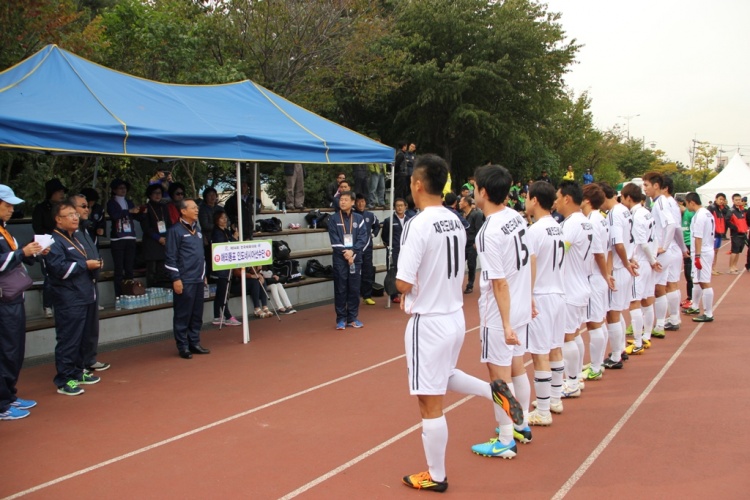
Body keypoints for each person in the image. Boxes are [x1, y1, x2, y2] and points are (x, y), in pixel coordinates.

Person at [398, 156, 523, 492]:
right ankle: (492, 392)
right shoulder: (456, 220)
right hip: (454, 316)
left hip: (429, 320)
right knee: (444, 375)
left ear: (418, 184)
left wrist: (398, 289)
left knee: (429, 400)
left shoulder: (417, 223)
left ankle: (436, 476)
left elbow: (403, 282)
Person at [469, 163, 534, 456]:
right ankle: (521, 423)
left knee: (498, 373)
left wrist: (505, 324)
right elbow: (529, 259)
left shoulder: (488, 232)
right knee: (517, 364)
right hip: (519, 304)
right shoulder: (516, 218)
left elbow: (499, 283)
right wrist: (529, 298)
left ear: (483, 192)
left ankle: (505, 438)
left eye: (474, 188)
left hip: (500, 313)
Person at [45, 202, 103, 395]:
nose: (75, 217)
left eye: (75, 214)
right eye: (69, 214)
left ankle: (78, 371)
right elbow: (59, 269)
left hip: (84, 294)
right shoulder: (54, 241)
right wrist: (85, 265)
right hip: (68, 298)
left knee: (81, 338)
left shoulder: (76, 238)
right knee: (68, 339)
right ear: (58, 219)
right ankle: (64, 379)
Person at [0, 185, 44, 419]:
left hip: (14, 296)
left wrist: (34, 252)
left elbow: (17, 257)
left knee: (14, 349)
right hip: (3, 299)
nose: (11, 210)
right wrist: (21, 253)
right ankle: (2, 404)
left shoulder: (5, 230)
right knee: (6, 349)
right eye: (7, 206)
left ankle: (9, 394)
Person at [525, 181, 566, 426]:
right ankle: (554, 398)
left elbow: (530, 264)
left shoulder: (535, 230)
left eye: (528, 197)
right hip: (558, 293)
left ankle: (542, 411)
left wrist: (527, 295)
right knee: (555, 348)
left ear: (535, 200)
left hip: (541, 294)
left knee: (539, 353)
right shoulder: (557, 227)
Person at [555, 180, 595, 399]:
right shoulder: (584, 221)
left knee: (567, 336)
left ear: (567, 198)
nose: (556, 201)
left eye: (558, 196)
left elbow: (560, 251)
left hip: (571, 287)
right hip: (580, 284)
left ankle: (570, 383)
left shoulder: (572, 223)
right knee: (574, 334)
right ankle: (576, 377)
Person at [165, 199, 210, 359]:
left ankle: (194, 342)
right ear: (183, 211)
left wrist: (203, 275)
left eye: (197, 208)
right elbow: (170, 258)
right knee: (183, 314)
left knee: (197, 313)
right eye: (193, 208)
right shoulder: (175, 231)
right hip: (184, 279)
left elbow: (201, 256)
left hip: (198, 279)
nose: (197, 210)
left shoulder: (197, 230)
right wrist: (176, 278)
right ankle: (183, 346)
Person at [600, 181, 637, 371]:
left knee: (612, 312)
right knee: (618, 310)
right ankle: (620, 348)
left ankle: (615, 355)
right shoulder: (624, 210)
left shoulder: (614, 214)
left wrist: (624, 262)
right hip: (625, 264)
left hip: (619, 267)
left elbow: (618, 244)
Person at [70, 194, 110, 372]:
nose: (87, 209)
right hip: (78, 285)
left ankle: (89, 358)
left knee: (92, 324)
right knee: (79, 326)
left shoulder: (86, 229)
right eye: (83, 206)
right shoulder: (70, 233)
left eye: (88, 206)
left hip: (91, 281)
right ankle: (78, 364)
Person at [580, 184, 614, 382]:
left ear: (586, 200)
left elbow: (599, 253)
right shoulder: (599, 218)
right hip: (598, 277)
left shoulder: (592, 220)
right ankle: (597, 362)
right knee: (597, 321)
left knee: (594, 323)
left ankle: (595, 366)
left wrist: (605, 274)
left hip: (594, 277)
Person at [620, 184, 659, 356]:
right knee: (647, 299)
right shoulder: (647, 212)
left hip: (640, 262)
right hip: (647, 261)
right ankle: (646, 336)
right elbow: (654, 238)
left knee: (634, 302)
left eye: (622, 197)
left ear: (628, 198)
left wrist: (651, 260)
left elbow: (642, 242)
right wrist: (654, 259)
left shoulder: (635, 216)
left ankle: (637, 343)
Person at [642, 172, 680, 339]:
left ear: (656, 185)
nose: (645, 189)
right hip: (664, 250)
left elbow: (671, 224)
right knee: (659, 288)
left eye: (646, 185)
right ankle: (660, 323)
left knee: (655, 288)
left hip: (663, 252)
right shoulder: (657, 202)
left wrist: (663, 246)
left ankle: (658, 324)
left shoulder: (661, 202)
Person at [328, 191, 367, 329]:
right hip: (340, 258)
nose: (342, 202)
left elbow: (363, 238)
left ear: (352, 202)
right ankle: (341, 319)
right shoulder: (333, 219)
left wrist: (353, 252)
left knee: (354, 288)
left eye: (345, 200)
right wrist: (346, 253)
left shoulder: (358, 218)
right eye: (341, 199)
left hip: (355, 258)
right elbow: (334, 240)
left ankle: (352, 317)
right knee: (340, 288)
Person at [32, 178, 67, 318]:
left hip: (63, 242)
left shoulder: (64, 208)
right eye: (59, 192)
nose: (62, 194)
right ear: (52, 193)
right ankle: (47, 306)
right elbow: (37, 227)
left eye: (62, 192)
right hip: (46, 243)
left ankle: (62, 303)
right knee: (49, 275)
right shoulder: (40, 208)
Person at [684, 193, 715, 322]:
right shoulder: (707, 213)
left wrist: (697, 256)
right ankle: (695, 305)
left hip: (702, 252)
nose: (686, 206)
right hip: (705, 250)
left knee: (704, 281)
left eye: (686, 203)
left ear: (692, 202)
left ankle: (708, 313)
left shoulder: (699, 216)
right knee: (696, 279)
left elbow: (698, 237)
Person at [107, 179, 141, 299]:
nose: (123, 190)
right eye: (120, 188)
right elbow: (115, 215)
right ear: (115, 190)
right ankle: (119, 295)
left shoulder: (129, 202)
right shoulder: (111, 203)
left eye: (124, 188)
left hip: (130, 236)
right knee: (119, 268)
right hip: (118, 238)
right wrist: (128, 211)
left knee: (129, 268)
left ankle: (130, 292)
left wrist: (139, 211)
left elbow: (135, 216)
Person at [209, 211, 242, 326]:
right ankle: (227, 316)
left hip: (226, 266)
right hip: (220, 267)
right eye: (221, 218)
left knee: (220, 292)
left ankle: (217, 316)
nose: (224, 220)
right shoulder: (217, 233)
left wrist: (233, 237)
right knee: (223, 292)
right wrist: (233, 238)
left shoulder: (225, 231)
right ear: (216, 220)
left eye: (225, 218)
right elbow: (224, 247)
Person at [141, 184, 172, 288]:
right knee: (152, 270)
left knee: (163, 269)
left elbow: (169, 223)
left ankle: (163, 290)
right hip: (152, 242)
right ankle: (152, 290)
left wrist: (168, 237)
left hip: (165, 240)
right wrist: (158, 238)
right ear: (150, 195)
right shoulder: (146, 208)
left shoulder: (164, 207)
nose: (157, 195)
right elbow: (146, 227)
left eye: (159, 193)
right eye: (155, 193)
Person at [381, 198, 411, 303]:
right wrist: (390, 246)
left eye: (401, 205)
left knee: (406, 270)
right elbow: (384, 236)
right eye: (397, 205)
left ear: (405, 207)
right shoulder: (389, 220)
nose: (399, 207)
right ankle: (394, 294)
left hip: (407, 250)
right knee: (393, 271)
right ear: (394, 207)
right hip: (394, 250)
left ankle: (405, 292)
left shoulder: (410, 220)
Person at [354, 194, 380, 305]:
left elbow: (377, 226)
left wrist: (373, 235)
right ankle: (354, 296)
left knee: (367, 271)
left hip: (368, 247)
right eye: (358, 202)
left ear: (365, 202)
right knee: (354, 272)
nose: (361, 204)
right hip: (355, 248)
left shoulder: (370, 215)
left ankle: (367, 296)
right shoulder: (352, 215)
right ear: (355, 203)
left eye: (363, 201)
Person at [460, 195, 483, 294]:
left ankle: (470, 284)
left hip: (472, 244)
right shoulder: (463, 215)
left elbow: (479, 229)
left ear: (466, 203)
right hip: (464, 244)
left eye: (461, 201)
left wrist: (476, 242)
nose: (459, 203)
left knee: (471, 265)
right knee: (459, 265)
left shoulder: (476, 214)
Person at [198, 186, 221, 274]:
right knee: (210, 261)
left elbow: (227, 221)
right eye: (210, 195)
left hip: (220, 238)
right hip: (209, 239)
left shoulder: (219, 208)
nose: (212, 197)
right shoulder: (203, 209)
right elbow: (205, 225)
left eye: (214, 195)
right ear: (205, 197)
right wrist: (219, 225)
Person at [677, 196, 695, 308]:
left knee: (690, 273)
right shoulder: (679, 215)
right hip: (683, 245)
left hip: (690, 245)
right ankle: (690, 297)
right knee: (687, 273)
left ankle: (692, 299)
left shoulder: (690, 214)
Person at [707, 192, 729, 274]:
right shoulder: (711, 208)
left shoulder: (721, 209)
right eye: (720, 199)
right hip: (713, 233)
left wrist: (725, 206)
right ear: (716, 199)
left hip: (719, 233)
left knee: (716, 251)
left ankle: (714, 267)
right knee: (712, 251)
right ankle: (710, 269)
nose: (722, 201)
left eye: (723, 200)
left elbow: (727, 214)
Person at [727, 193, 747, 274]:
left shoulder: (741, 210)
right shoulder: (731, 211)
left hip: (743, 233)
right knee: (734, 251)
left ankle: (735, 265)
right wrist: (735, 228)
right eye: (736, 200)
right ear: (733, 201)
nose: (738, 201)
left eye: (739, 200)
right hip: (735, 234)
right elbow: (727, 221)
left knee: (738, 251)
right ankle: (731, 267)